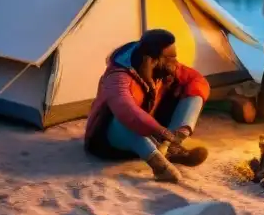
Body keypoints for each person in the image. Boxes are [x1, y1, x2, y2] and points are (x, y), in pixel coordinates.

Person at [84, 29, 210, 183]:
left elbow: (197, 80)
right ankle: (158, 164)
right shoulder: (118, 77)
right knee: (124, 118)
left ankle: (171, 147)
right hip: (107, 141)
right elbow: (125, 109)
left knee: (191, 90)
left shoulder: (162, 69)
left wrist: (183, 127)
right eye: (170, 57)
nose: (175, 62)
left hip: (148, 130)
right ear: (151, 60)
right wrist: (159, 130)